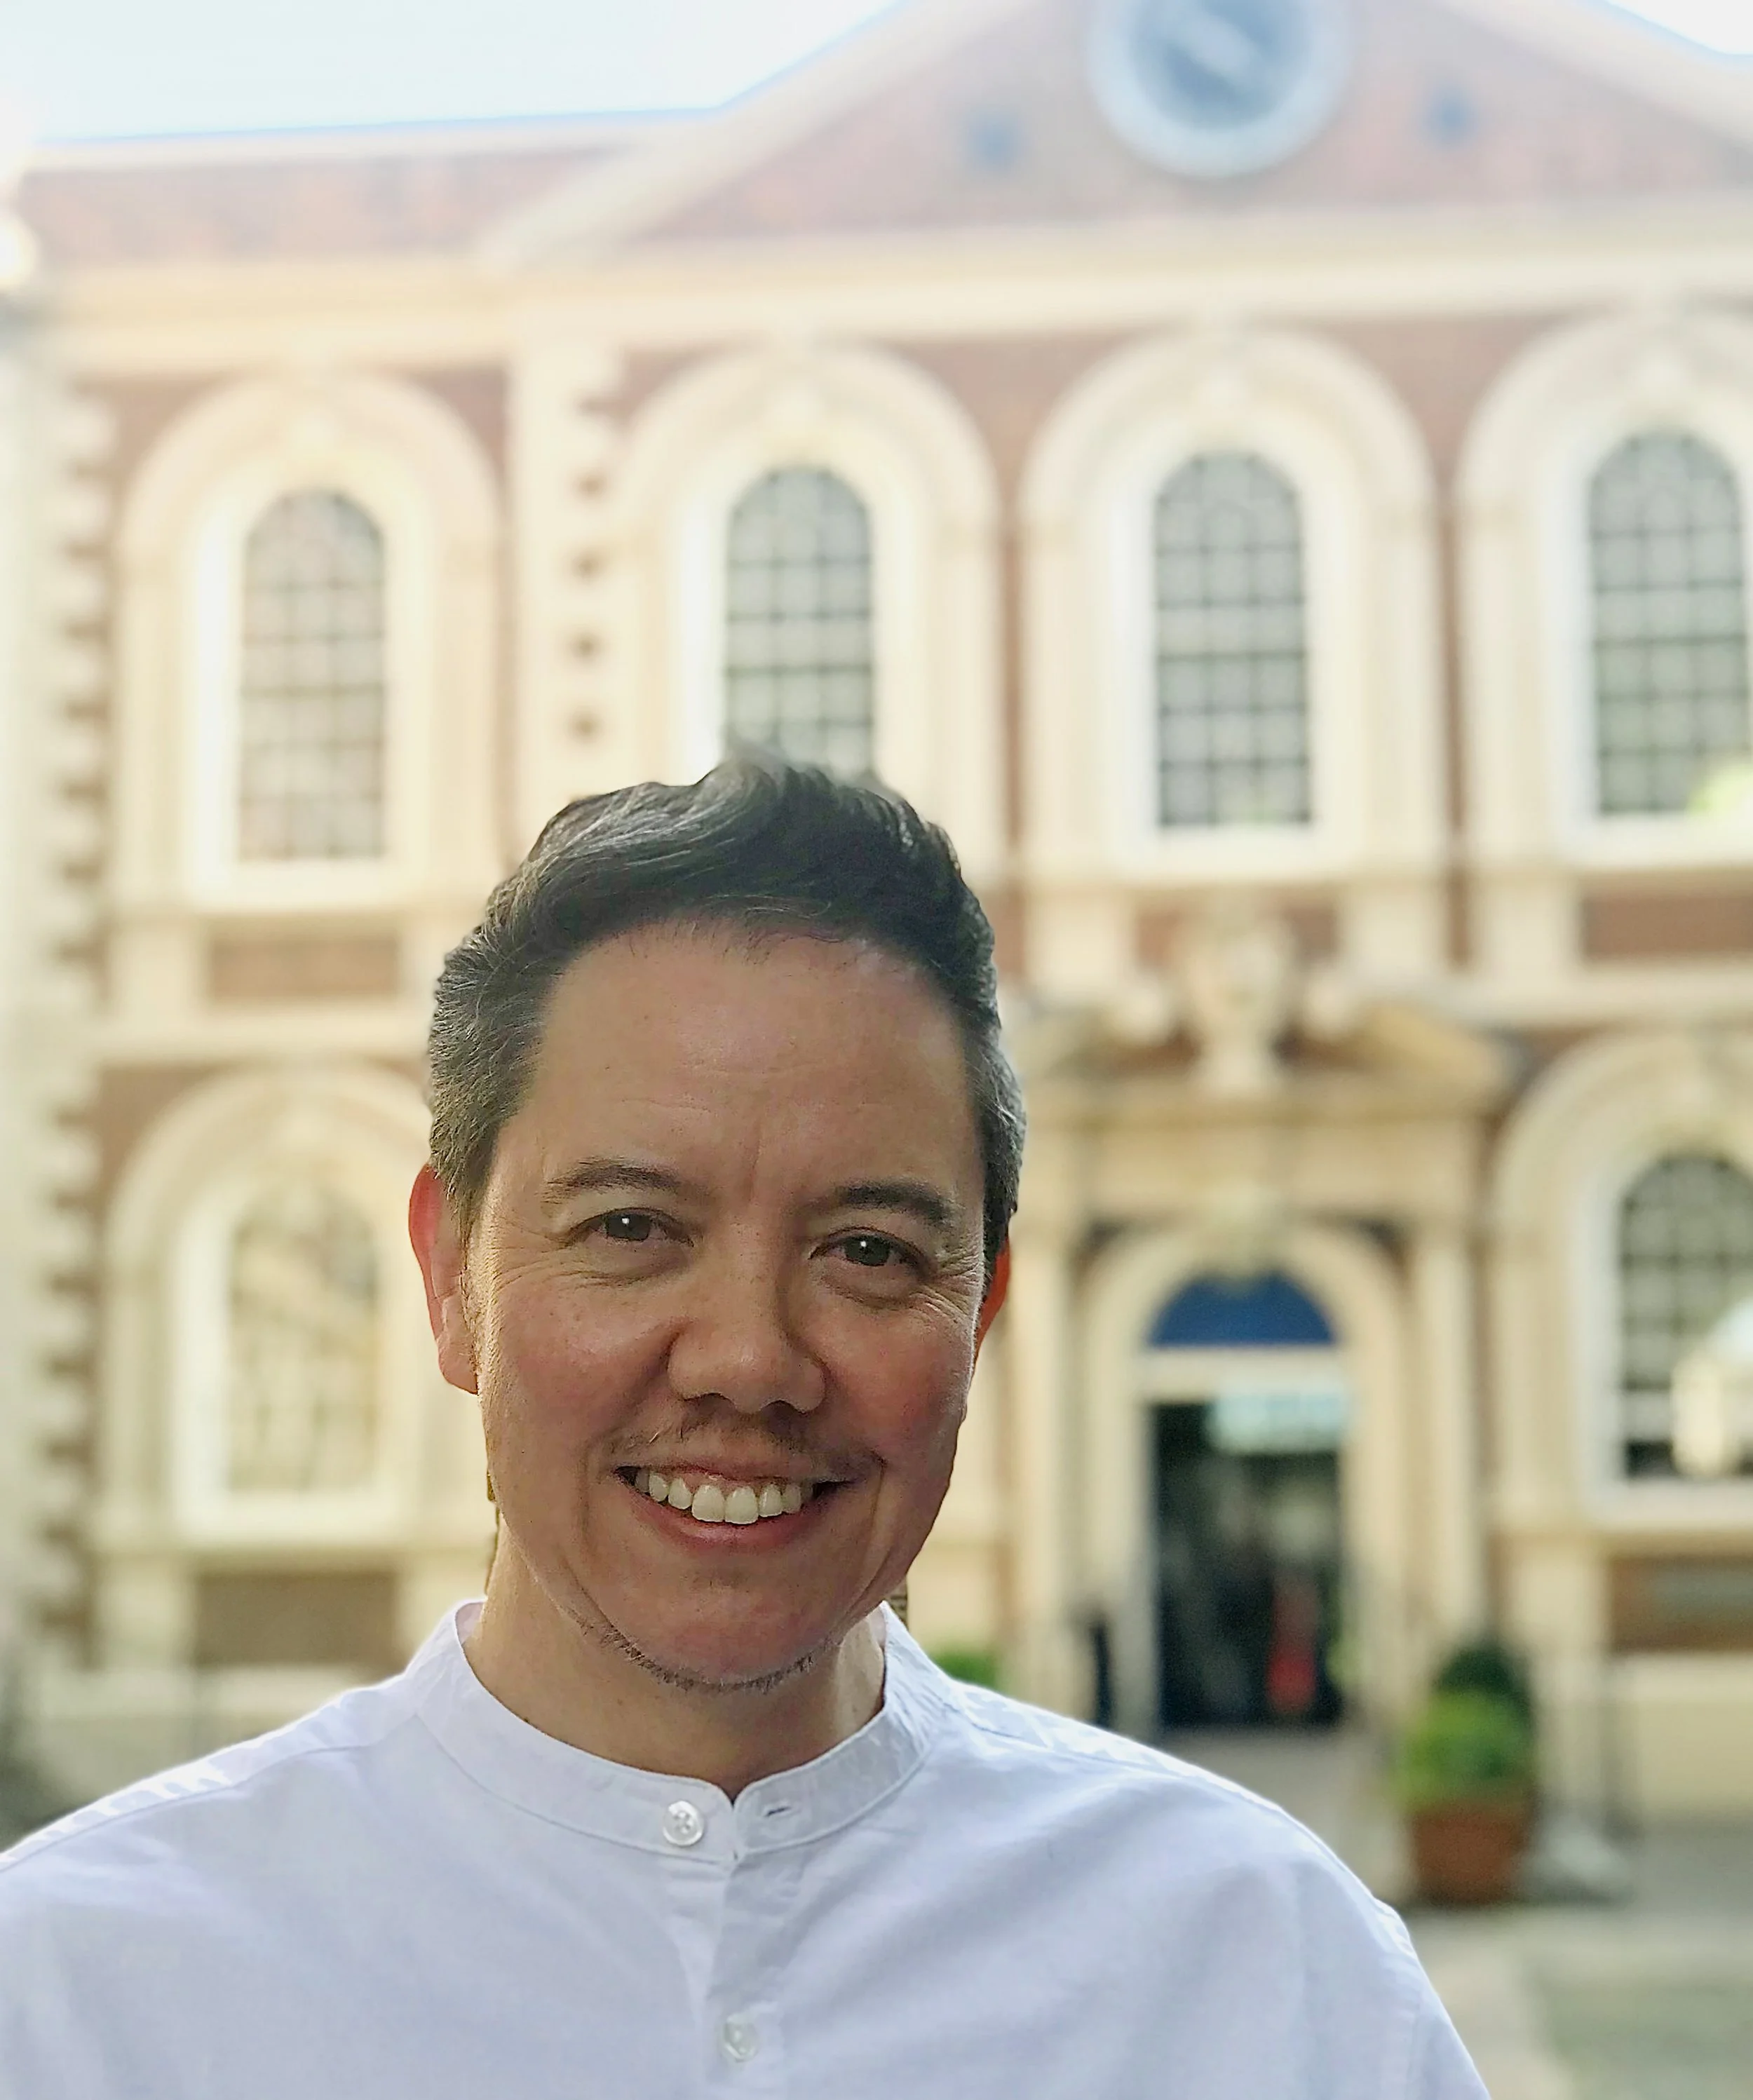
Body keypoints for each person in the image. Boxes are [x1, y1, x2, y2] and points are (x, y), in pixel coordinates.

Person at [0, 761, 1485, 2097]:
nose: (748, 1361)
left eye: (867, 1253)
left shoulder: (1266, 1979)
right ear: (453, 1281)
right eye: (633, 1226)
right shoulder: (83, 1996)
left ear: (977, 1319)